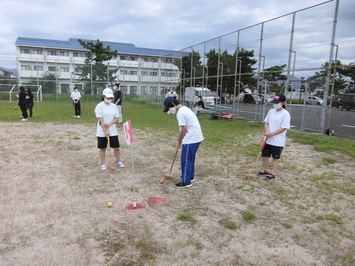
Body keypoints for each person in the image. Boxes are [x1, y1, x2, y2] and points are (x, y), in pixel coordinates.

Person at [164, 99, 204, 188]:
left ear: (173, 104)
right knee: (190, 158)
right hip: (197, 137)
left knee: (185, 160)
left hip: (191, 138)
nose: (169, 110)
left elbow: (184, 129)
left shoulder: (180, 113)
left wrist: (179, 139)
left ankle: (186, 181)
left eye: (169, 108)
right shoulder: (185, 108)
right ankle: (190, 176)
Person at [258, 94, 290, 181]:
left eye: (277, 102)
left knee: (275, 158)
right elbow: (266, 122)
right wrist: (267, 131)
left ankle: (273, 173)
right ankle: (266, 170)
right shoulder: (271, 111)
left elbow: (284, 128)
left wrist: (272, 134)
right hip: (268, 139)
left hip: (277, 140)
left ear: (283, 103)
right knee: (265, 155)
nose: (275, 104)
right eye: (274, 102)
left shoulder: (285, 114)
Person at [94, 88, 125, 171]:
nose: (109, 99)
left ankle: (118, 161)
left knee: (116, 147)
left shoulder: (114, 106)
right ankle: (103, 164)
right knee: (103, 148)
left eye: (110, 98)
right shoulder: (99, 106)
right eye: (108, 98)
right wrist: (105, 131)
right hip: (102, 130)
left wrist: (109, 124)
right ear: (103, 96)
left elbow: (117, 118)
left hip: (113, 130)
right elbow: (101, 120)